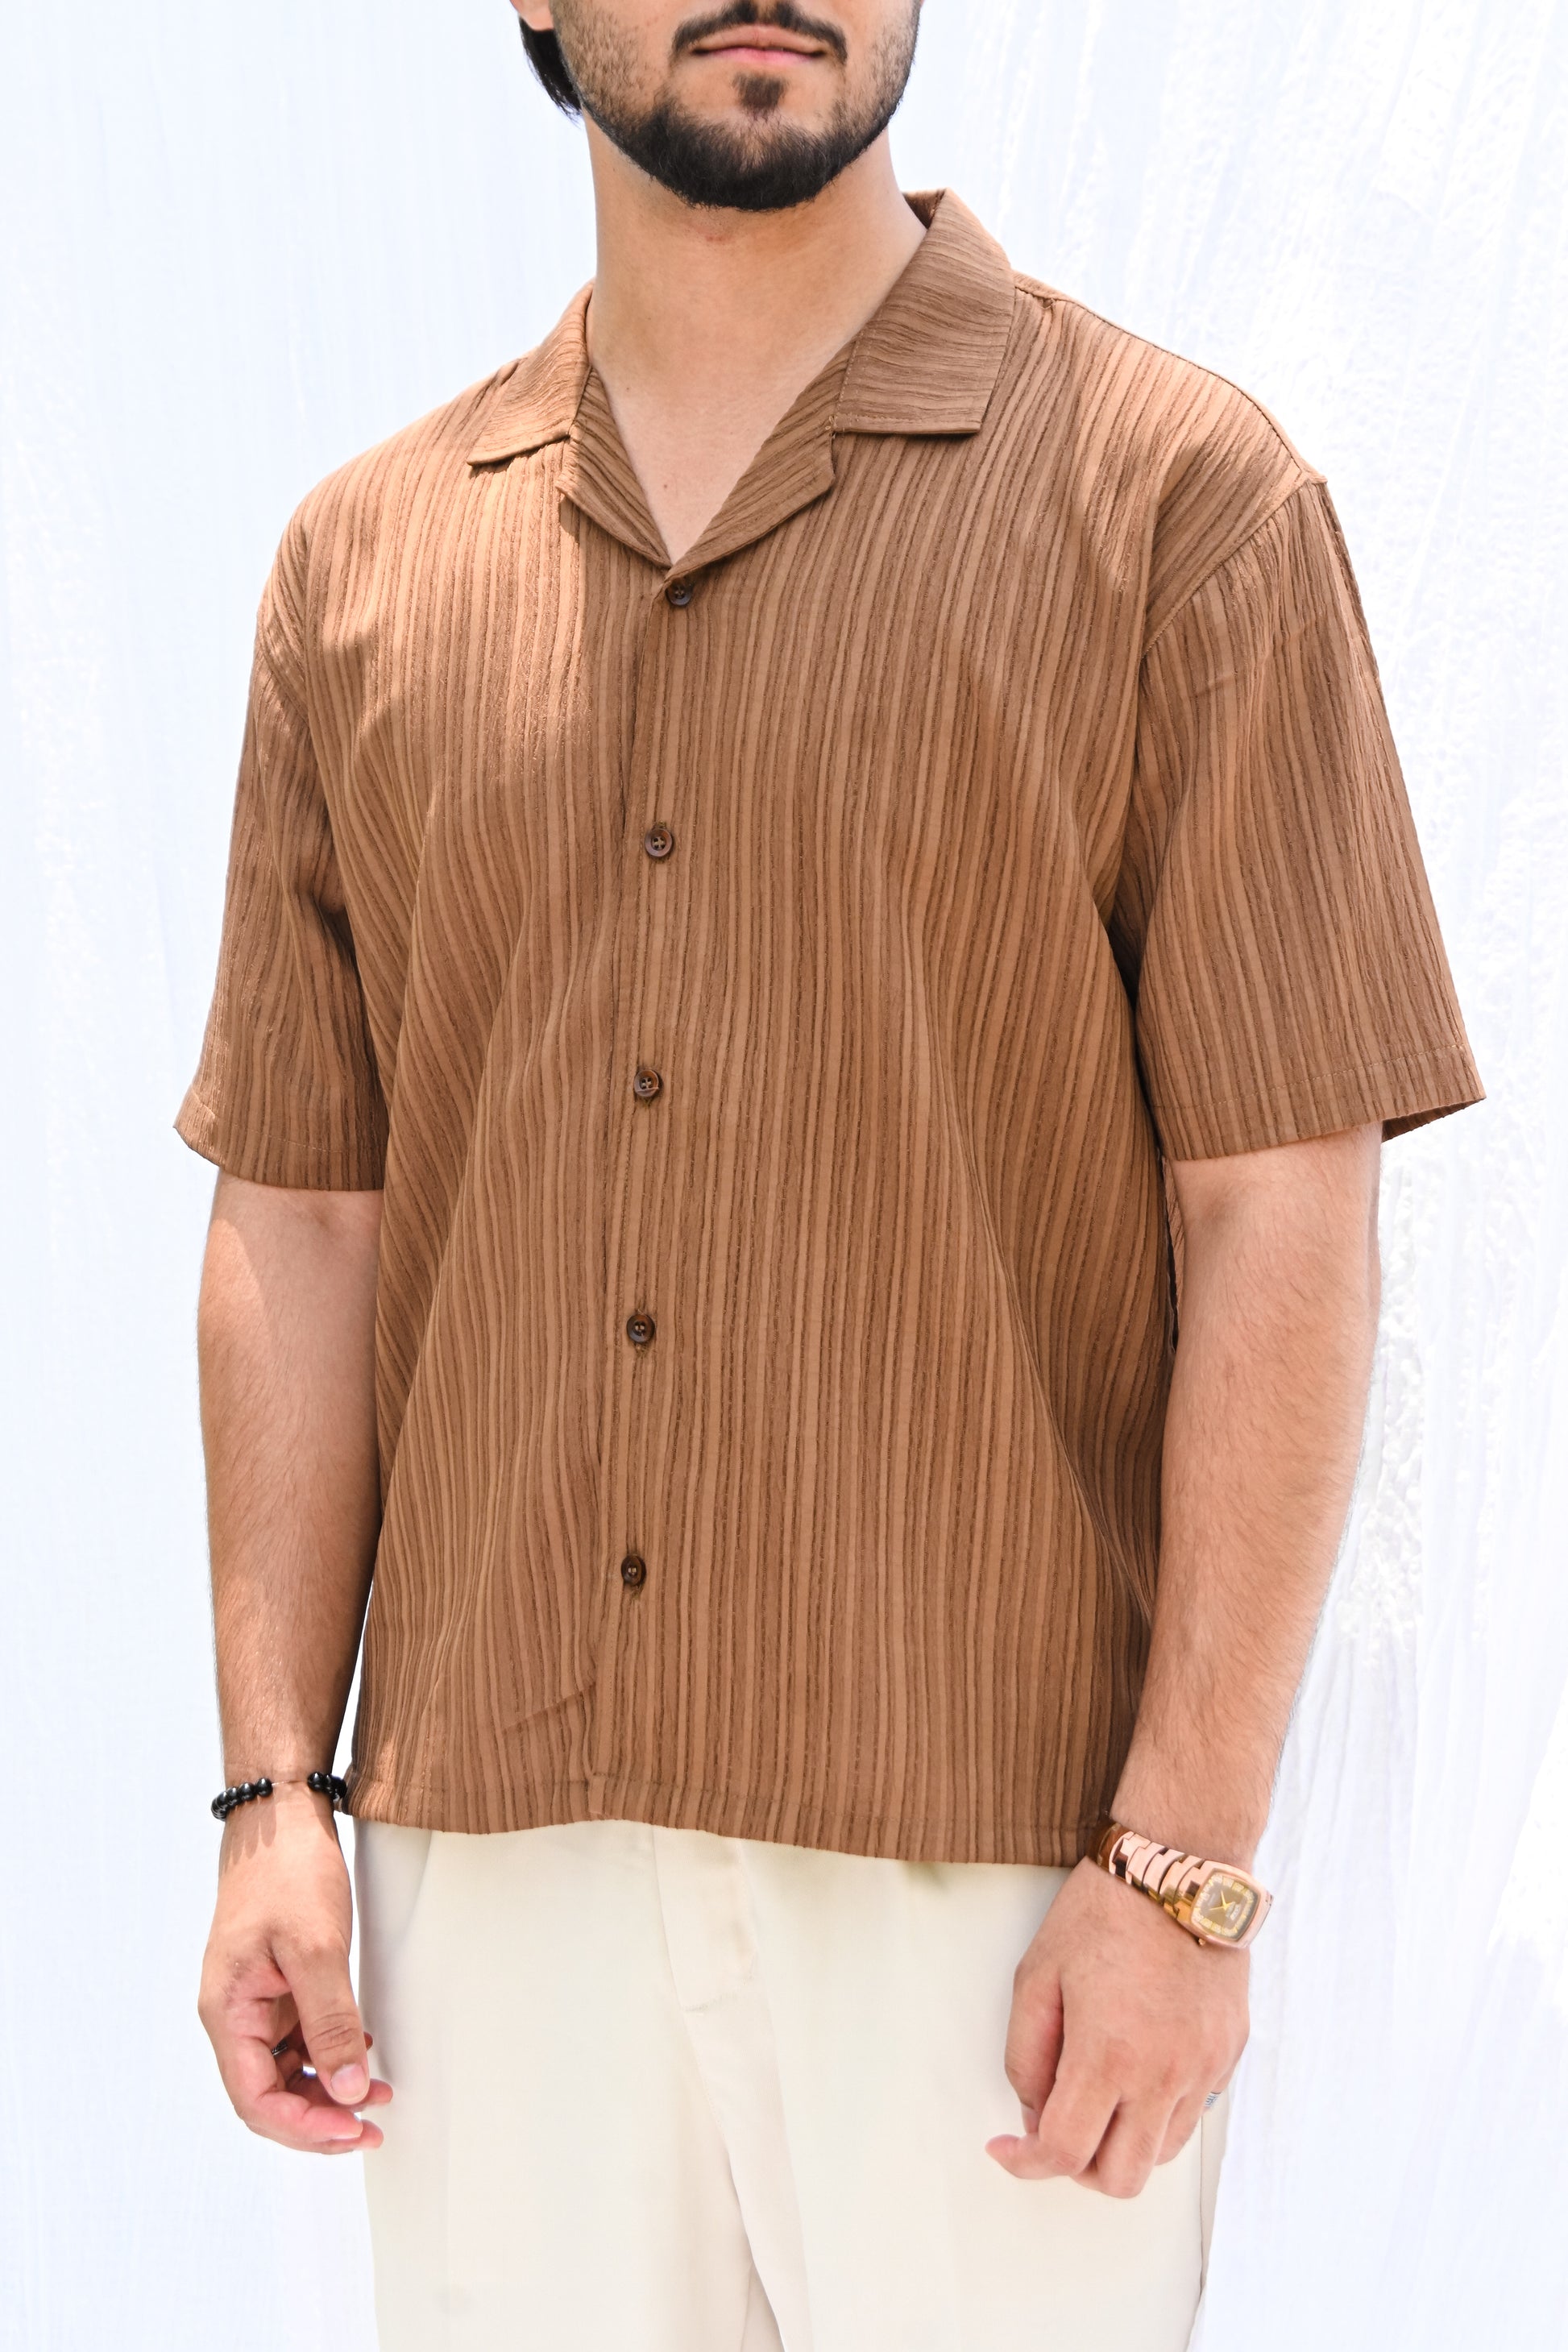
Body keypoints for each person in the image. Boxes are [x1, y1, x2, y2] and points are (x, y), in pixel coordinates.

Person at [180, 4, 1483, 2345]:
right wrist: (274, 1795)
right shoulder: (362, 564)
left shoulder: (1178, 505)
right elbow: (301, 1213)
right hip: (492, 1868)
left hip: (1001, 1899)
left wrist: (1182, 1868)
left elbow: (1281, 1214)